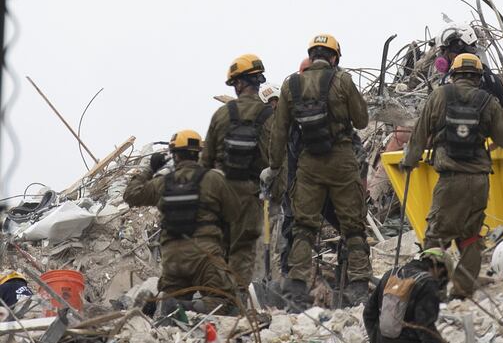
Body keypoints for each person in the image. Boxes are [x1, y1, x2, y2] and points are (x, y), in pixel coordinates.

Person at [401, 53, 503, 297]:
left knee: (436, 237)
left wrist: (408, 162)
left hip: (450, 181)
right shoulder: (487, 102)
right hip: (479, 181)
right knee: (470, 237)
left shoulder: (438, 96)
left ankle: (431, 290)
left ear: (452, 74)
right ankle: (461, 290)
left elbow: (418, 137)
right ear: (478, 78)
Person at [266, 34, 371, 309]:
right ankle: (359, 286)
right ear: (334, 57)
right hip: (342, 160)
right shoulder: (343, 80)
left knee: (303, 227)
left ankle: (297, 288)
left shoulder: (291, 85)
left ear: (311, 56)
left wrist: (274, 168)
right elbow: (361, 120)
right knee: (352, 227)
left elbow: (279, 132)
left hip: (308, 164)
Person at [124, 130, 240, 312]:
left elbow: (131, 195)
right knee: (226, 301)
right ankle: (186, 307)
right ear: (198, 153)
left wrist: (149, 169)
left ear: (174, 155)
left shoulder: (162, 183)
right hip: (205, 253)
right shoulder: (213, 179)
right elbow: (235, 214)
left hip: (172, 259)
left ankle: (158, 306)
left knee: (170, 304)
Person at [202, 54, 273, 293]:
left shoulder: (221, 115)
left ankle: (214, 298)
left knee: (218, 247)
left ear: (240, 83)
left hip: (220, 192)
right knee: (242, 251)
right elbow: (274, 159)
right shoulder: (268, 116)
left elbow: (206, 160)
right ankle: (236, 302)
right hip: (250, 194)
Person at [363, 248, 458, 343]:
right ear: (438, 268)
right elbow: (425, 328)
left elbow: (368, 313)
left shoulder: (391, 274)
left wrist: (377, 342)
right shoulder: (427, 283)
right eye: (443, 277)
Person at [436, 24, 503, 107]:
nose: (443, 56)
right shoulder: (492, 79)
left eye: (444, 50)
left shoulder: (447, 81)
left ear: (459, 49)